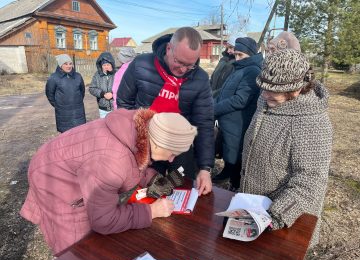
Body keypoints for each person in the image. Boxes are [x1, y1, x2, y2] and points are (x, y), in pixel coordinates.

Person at [20, 109, 198, 254]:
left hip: (72, 161)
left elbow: (136, 159)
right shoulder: (112, 161)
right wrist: (151, 211)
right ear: (158, 143)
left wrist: (153, 180)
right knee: (78, 247)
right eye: (172, 152)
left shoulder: (140, 128)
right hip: (53, 176)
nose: (173, 159)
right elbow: (103, 220)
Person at [240, 49, 333, 247]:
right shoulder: (268, 99)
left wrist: (275, 216)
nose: (264, 95)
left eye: (272, 92)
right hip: (256, 208)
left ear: (297, 89)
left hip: (285, 221)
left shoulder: (312, 122)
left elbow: (311, 181)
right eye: (262, 88)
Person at [116, 27, 214, 196]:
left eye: (190, 65)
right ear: (169, 48)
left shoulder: (200, 79)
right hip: (146, 146)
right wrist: (135, 140)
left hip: (180, 149)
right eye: (179, 62)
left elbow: (204, 123)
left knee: (182, 191)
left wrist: (205, 168)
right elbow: (124, 104)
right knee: (146, 193)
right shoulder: (141, 65)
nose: (183, 70)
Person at [213, 37, 263, 190]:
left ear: (251, 54)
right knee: (229, 149)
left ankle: (235, 185)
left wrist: (215, 109)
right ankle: (228, 172)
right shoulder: (239, 68)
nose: (237, 58)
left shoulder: (252, 70)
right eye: (236, 55)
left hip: (238, 122)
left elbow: (240, 99)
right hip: (229, 121)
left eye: (241, 55)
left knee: (235, 153)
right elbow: (226, 90)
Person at [45, 54, 86, 133]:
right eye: (66, 64)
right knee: (66, 137)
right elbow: (50, 94)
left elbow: (82, 92)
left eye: (70, 64)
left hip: (78, 112)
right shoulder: (54, 78)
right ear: (60, 65)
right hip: (63, 113)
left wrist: (77, 102)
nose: (69, 66)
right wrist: (58, 104)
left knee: (79, 135)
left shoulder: (78, 76)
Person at [89, 52, 116, 118]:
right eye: (104, 65)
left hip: (115, 107)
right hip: (103, 109)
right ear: (101, 66)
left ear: (111, 64)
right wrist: (102, 94)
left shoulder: (116, 74)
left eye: (108, 64)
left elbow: (121, 87)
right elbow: (92, 88)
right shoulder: (97, 75)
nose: (106, 67)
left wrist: (113, 94)